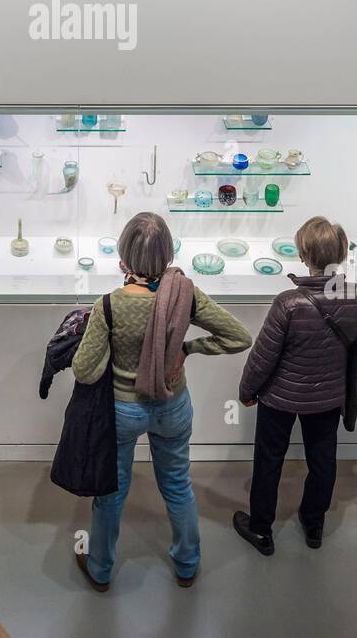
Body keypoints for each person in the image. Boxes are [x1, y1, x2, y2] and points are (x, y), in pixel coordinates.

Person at [71, 211, 252, 590]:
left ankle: (101, 568)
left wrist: (110, 357)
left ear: (123, 260)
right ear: (169, 256)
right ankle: (187, 563)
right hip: (172, 405)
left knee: (112, 490)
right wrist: (188, 348)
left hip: (122, 410)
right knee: (176, 484)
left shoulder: (109, 305)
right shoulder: (185, 294)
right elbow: (239, 337)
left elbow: (84, 370)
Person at [233, 216, 357, 555]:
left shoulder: (288, 302)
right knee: (323, 459)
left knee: (269, 460)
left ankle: (261, 529)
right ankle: (314, 524)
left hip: (280, 398)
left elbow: (263, 356)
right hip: (328, 398)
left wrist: (247, 392)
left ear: (303, 256)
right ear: (343, 254)